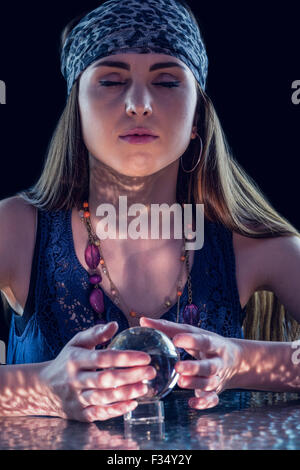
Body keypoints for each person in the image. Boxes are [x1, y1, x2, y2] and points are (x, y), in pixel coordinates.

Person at [0, 0, 299, 423]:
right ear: (76, 112)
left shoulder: (248, 244)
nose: (138, 103)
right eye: (110, 80)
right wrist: (41, 389)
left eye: (166, 82)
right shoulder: (15, 230)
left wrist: (242, 361)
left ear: (197, 115)